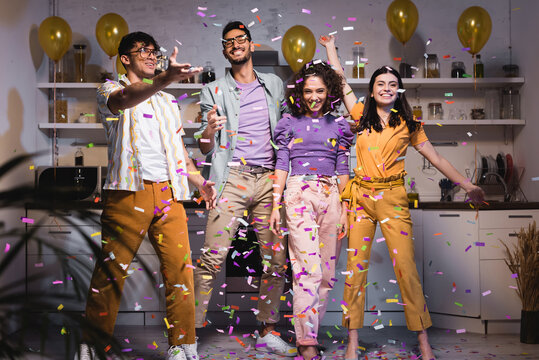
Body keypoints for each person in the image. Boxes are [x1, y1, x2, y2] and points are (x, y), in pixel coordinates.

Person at [319, 35, 485, 360]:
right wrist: (330, 48)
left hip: (394, 196)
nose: (386, 88)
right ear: (372, 89)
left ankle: (422, 338)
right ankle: (352, 339)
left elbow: (436, 159)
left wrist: (467, 186)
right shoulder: (359, 115)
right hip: (360, 197)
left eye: (392, 84)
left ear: (399, 90)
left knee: (406, 268)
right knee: (355, 269)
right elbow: (339, 80)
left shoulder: (410, 123)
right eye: (380, 83)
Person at [76, 31, 216, 360]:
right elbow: (126, 99)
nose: (152, 57)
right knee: (111, 272)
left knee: (181, 270)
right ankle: (93, 346)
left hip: (168, 193)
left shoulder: (167, 102)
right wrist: (167, 77)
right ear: (125, 58)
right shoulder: (109, 90)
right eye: (143, 52)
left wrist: (198, 180)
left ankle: (182, 345)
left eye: (155, 52)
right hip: (128, 193)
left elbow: (179, 150)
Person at [193, 21, 296, 357]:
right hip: (232, 178)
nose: (235, 44)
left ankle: (267, 331)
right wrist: (208, 129)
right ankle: (187, 337)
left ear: (252, 45)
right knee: (211, 259)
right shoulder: (212, 90)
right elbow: (206, 148)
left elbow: (286, 133)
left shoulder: (274, 85)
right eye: (229, 41)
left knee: (276, 260)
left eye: (241, 39)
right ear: (224, 50)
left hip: (268, 180)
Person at [269, 61, 354, 360]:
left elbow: (344, 166)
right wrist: (275, 204)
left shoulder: (341, 125)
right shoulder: (289, 123)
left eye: (320, 90)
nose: (314, 96)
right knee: (307, 271)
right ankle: (307, 343)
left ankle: (310, 334)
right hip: (298, 193)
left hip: (332, 194)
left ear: (329, 91)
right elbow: (281, 164)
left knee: (327, 275)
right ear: (299, 92)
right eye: (308, 91)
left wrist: (345, 206)